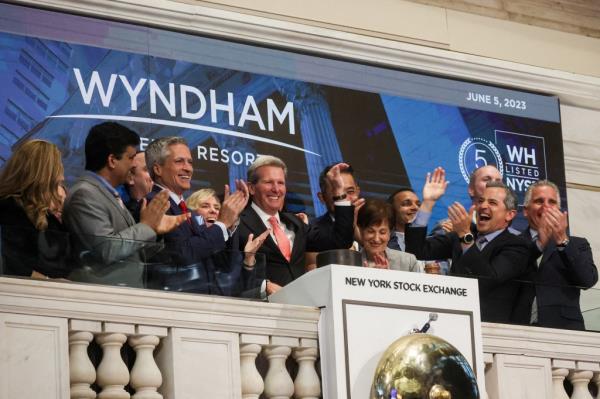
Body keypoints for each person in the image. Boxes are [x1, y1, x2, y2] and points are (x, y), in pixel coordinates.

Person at [63, 122, 185, 287]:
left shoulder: (108, 194)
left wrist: (155, 232)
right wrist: (146, 226)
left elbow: (131, 253)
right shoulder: (84, 195)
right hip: (101, 299)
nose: (134, 164)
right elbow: (107, 249)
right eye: (131, 157)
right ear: (112, 160)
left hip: (122, 296)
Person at [405, 181, 530, 323]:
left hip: (489, 328)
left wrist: (465, 236)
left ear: (509, 214)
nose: (483, 206)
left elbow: (487, 280)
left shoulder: (517, 246)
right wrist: (428, 203)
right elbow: (417, 251)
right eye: (481, 201)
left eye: (492, 203)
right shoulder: (461, 235)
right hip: (451, 319)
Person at [232, 155, 355, 296]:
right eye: (268, 182)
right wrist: (262, 286)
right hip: (259, 310)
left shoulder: (295, 223)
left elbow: (341, 241)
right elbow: (227, 271)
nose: (276, 189)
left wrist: (339, 192)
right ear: (252, 188)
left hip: (300, 310)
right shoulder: (237, 223)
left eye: (281, 183)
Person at [144, 136, 253, 292]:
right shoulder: (153, 204)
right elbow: (183, 254)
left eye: (190, 162)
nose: (188, 168)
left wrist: (230, 222)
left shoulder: (186, 211)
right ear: (158, 169)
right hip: (173, 303)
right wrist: (222, 224)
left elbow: (222, 263)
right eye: (179, 161)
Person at [515, 180, 597, 330]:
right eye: (539, 201)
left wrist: (562, 240)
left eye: (551, 202)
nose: (546, 207)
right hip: (518, 328)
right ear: (526, 211)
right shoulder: (511, 243)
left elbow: (587, 280)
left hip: (564, 331)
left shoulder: (578, 244)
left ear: (559, 210)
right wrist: (539, 244)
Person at [0, 140, 70, 279]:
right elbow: (15, 264)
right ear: (44, 171)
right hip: (29, 291)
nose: (62, 172)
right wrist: (50, 282)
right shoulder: (10, 207)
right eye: (58, 165)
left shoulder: (45, 207)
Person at [305, 163, 365, 270]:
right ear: (322, 197)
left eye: (350, 191)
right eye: (336, 191)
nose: (344, 198)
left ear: (358, 192)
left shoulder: (375, 224)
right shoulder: (312, 231)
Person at [357, 199, 421, 271]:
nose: (376, 239)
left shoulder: (408, 262)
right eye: (370, 231)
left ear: (390, 232)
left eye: (382, 232)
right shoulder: (349, 262)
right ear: (361, 231)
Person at [121, 151, 154, 222]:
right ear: (130, 178)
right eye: (148, 169)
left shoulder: (171, 206)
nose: (155, 174)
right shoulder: (124, 214)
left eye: (156, 169)